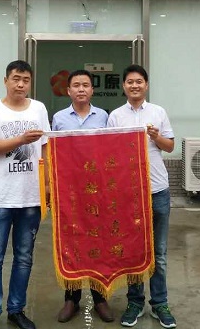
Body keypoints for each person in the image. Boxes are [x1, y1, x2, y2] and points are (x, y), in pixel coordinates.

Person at [0, 60, 50, 329]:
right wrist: (21, 139)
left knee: (24, 257)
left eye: (26, 80)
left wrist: (47, 185)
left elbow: (45, 147)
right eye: (16, 79)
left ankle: (16, 309)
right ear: (6, 80)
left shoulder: (39, 108)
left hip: (30, 198)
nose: (20, 84)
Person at [107, 64, 177, 329]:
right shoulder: (115, 116)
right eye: (130, 82)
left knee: (159, 252)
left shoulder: (158, 112)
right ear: (123, 86)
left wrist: (156, 136)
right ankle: (135, 302)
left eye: (139, 81)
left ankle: (160, 303)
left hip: (157, 190)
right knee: (133, 251)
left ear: (146, 85)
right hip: (129, 193)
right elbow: (110, 154)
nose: (134, 85)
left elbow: (170, 147)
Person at [51, 69, 115, 324]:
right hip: (70, 192)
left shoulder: (104, 117)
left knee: (98, 241)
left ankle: (100, 298)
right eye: (76, 85)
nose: (81, 89)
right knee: (72, 242)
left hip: (97, 191)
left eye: (85, 85)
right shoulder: (58, 118)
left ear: (92, 90)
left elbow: (110, 151)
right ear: (68, 91)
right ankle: (72, 298)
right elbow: (53, 153)